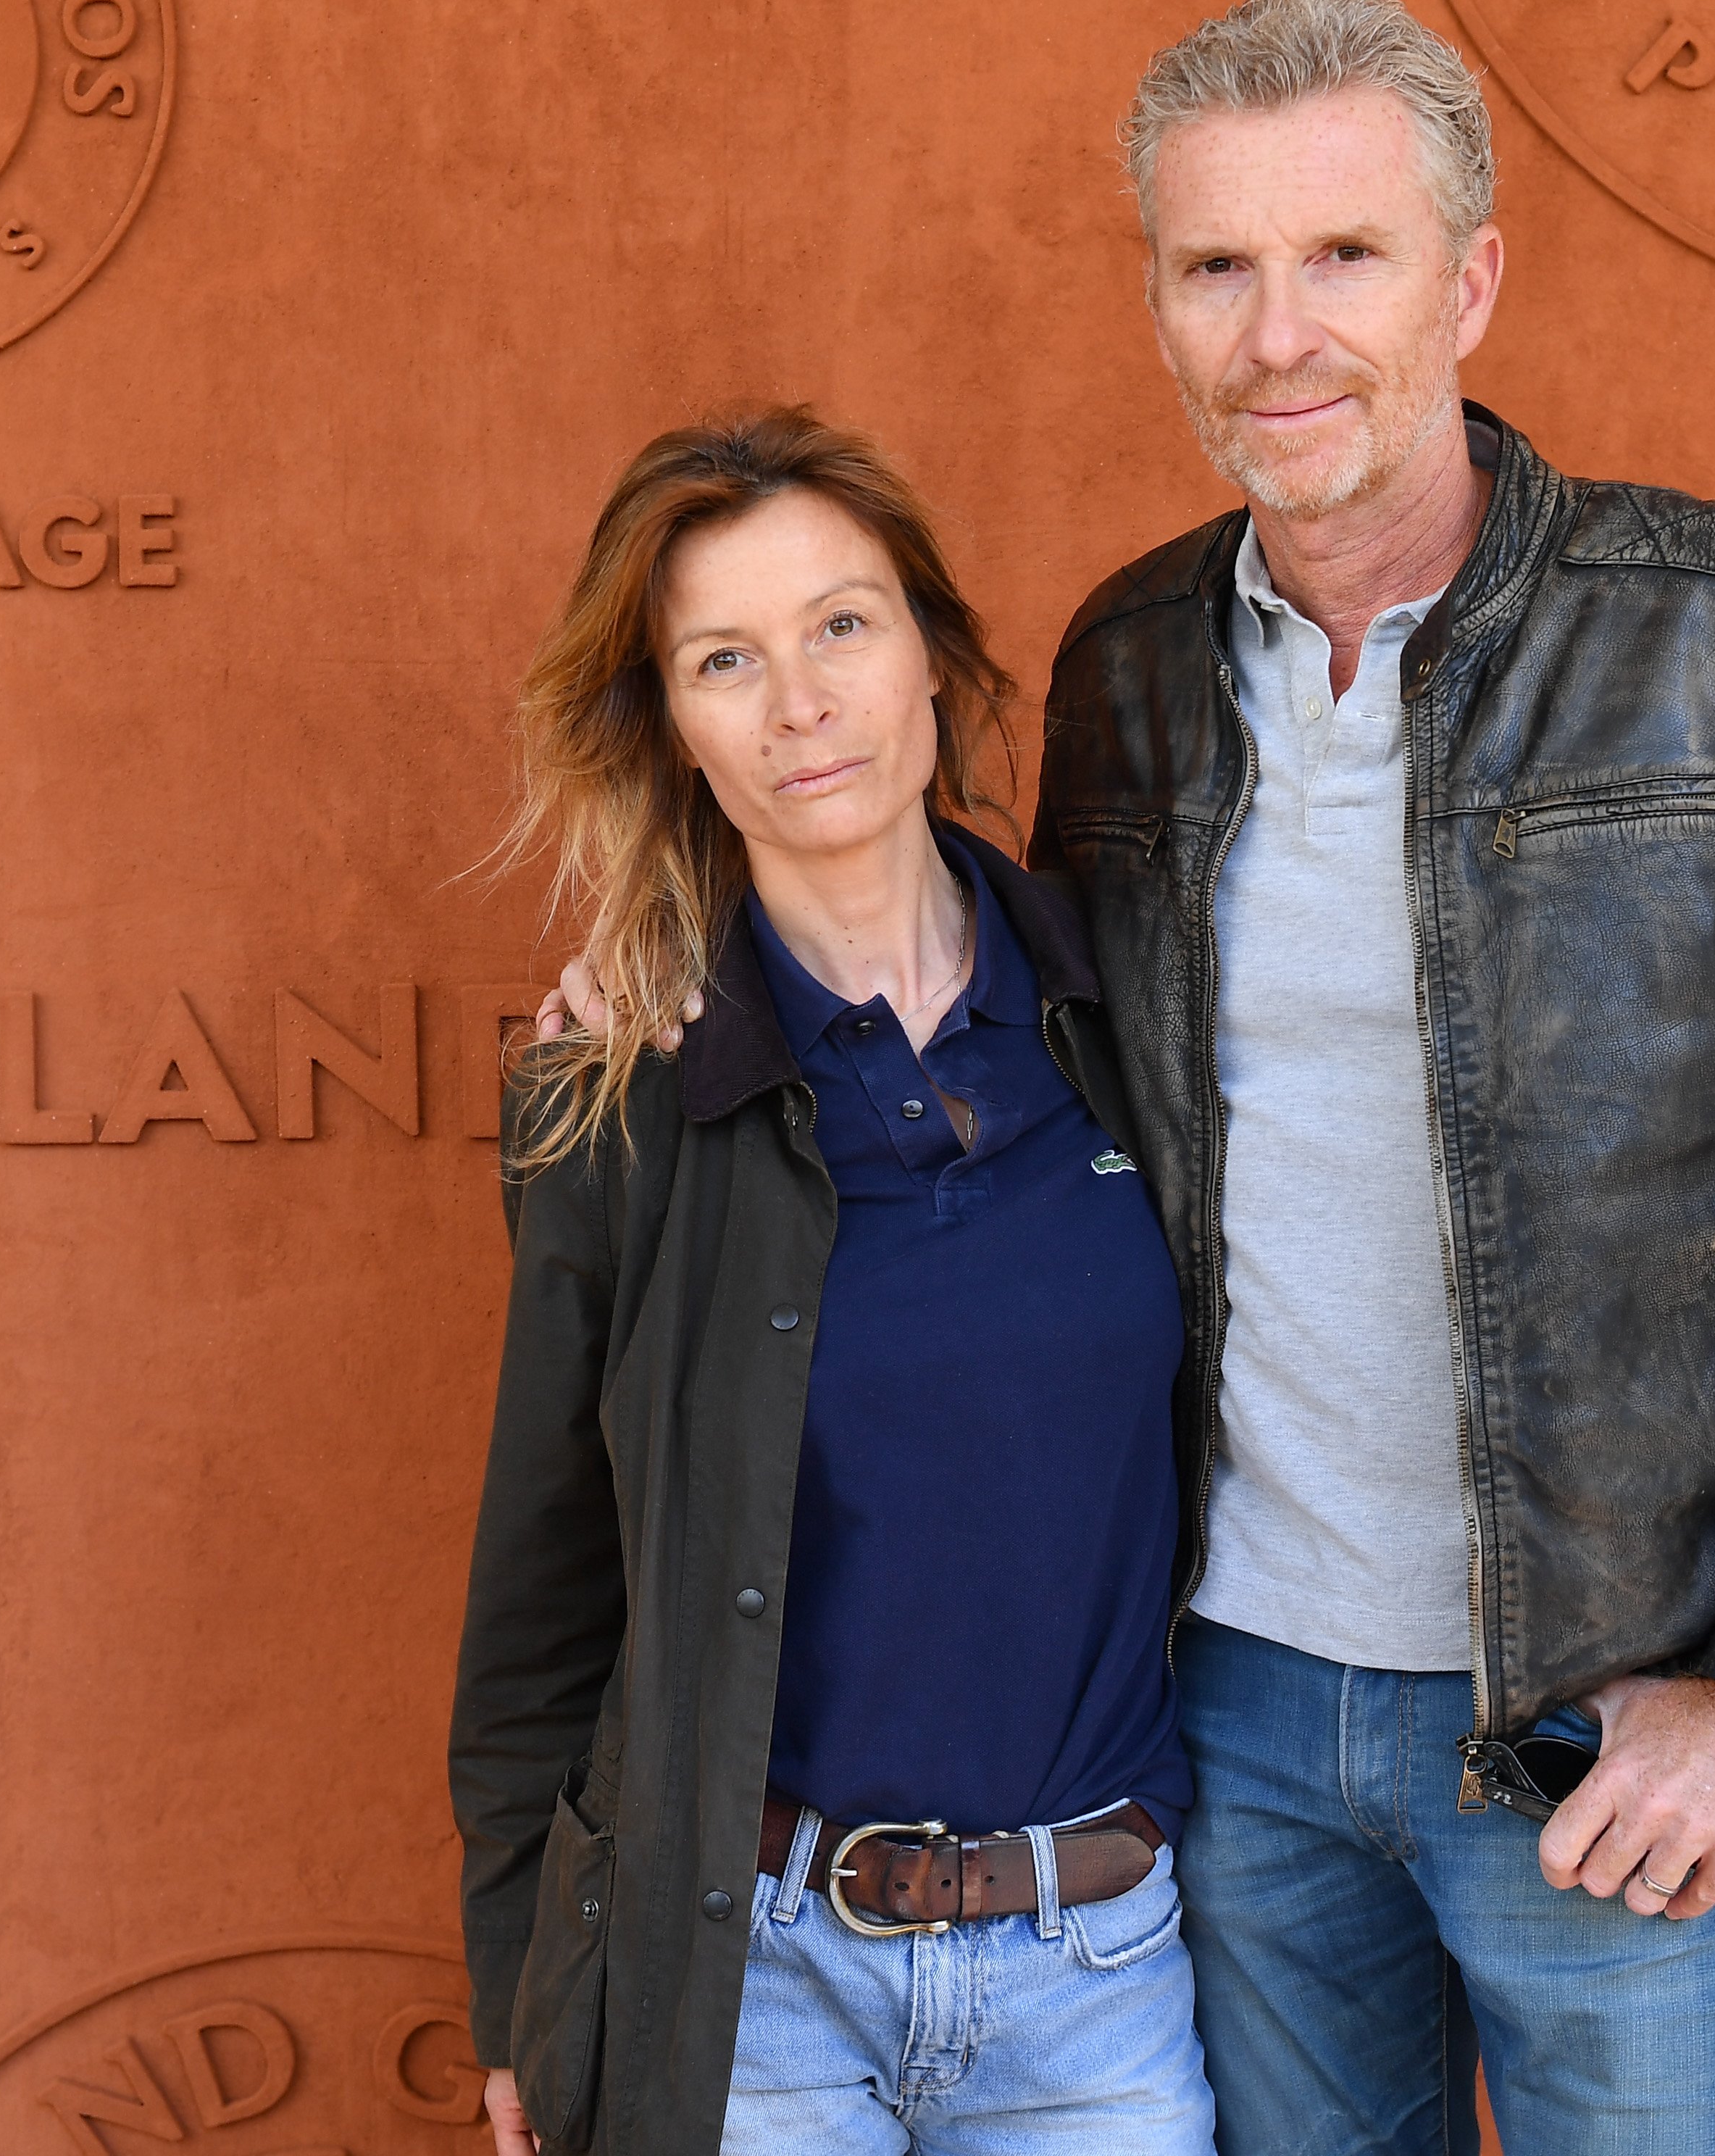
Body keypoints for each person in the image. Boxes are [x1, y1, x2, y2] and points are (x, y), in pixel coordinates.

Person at [555, 0, 1715, 2153]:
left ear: (1470, 280)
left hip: (1606, 1743)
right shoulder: (1133, 676)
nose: (1281, 334)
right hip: (1233, 1739)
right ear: (1164, 309)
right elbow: (940, 963)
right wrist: (663, 969)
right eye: (1218, 269)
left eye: (1345, 257)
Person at [449, 408, 1216, 2156]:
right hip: (753, 1985)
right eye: (726, 658)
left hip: (1096, 1975)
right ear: (677, 732)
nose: (799, 701)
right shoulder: (621, 1101)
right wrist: (527, 1992)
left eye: (842, 627)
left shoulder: (1135, 1015)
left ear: (936, 659)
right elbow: (544, 1589)